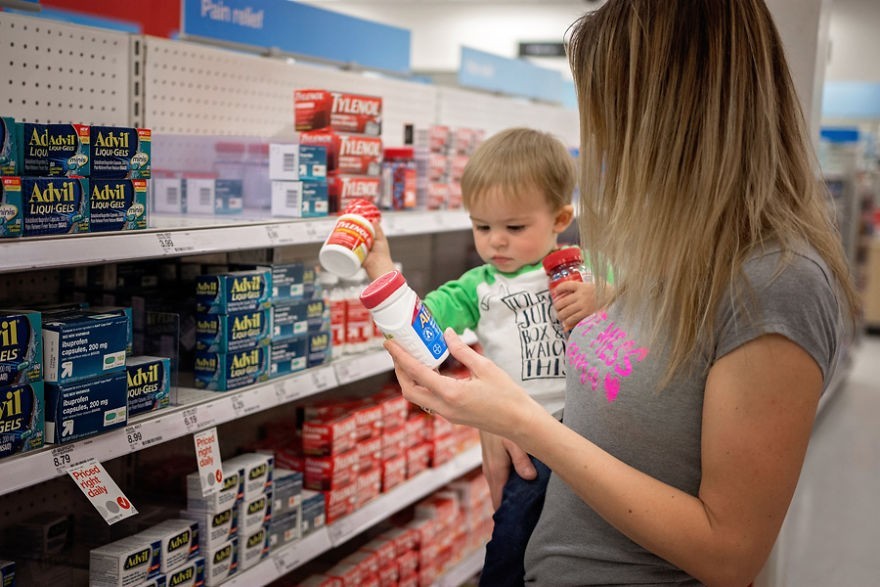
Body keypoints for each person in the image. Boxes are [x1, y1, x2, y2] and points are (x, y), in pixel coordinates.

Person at [382, 1, 860, 585]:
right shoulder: (674, 250)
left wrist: (528, 426)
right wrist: (504, 417)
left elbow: (729, 553)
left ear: (677, 117)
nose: (604, 143)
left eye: (611, 114)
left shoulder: (776, 282)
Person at [362, 127, 599, 586]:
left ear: (560, 217)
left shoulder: (589, 268)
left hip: (593, 431)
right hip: (523, 443)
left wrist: (602, 297)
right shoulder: (478, 286)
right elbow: (420, 327)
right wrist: (381, 270)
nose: (496, 242)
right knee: (510, 548)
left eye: (514, 228)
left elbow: (645, 308)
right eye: (482, 226)